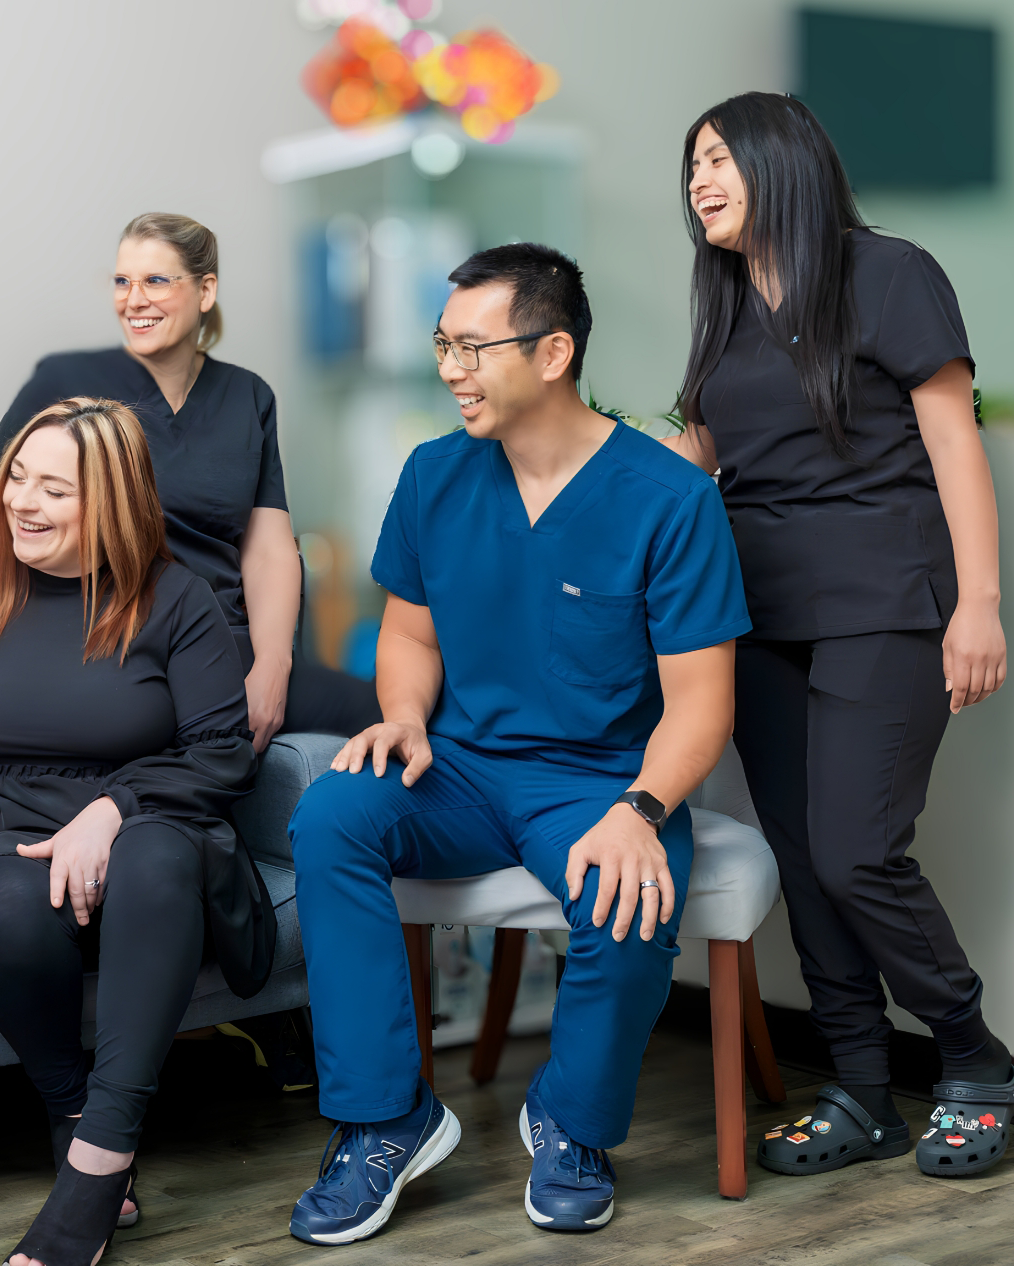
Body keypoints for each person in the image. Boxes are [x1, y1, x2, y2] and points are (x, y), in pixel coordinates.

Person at [286, 244, 749, 1243]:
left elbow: (701, 704)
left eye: (470, 346)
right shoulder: (434, 474)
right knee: (330, 814)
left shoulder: (669, 500)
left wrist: (641, 812)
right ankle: (384, 1120)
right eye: (442, 344)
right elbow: (409, 633)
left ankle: (573, 1125)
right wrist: (404, 714)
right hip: (455, 768)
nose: (450, 367)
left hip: (599, 782)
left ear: (553, 353)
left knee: (631, 896)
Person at [666, 92, 1009, 1178]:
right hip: (759, 617)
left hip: (885, 599)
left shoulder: (889, 272)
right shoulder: (722, 299)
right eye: (691, 169)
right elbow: (696, 460)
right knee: (808, 864)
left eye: (718, 159)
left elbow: (957, 443)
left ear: (782, 161)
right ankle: (863, 1089)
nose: (699, 183)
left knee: (862, 851)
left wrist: (981, 602)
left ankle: (974, 1058)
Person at [0, 398, 267, 1266]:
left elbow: (223, 754)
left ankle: (100, 1156)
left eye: (54, 488)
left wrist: (112, 809)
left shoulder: (178, 600)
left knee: (152, 859)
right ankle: (69, 1109)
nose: (23, 501)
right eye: (17, 478)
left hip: (149, 826)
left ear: (112, 501)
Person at [0, 212, 378, 748]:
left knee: (383, 710)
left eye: (155, 280)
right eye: (122, 281)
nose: (133, 299)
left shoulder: (248, 397)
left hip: (225, 637)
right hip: (126, 638)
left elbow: (268, 551)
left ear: (205, 290)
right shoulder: (67, 382)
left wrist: (273, 665)